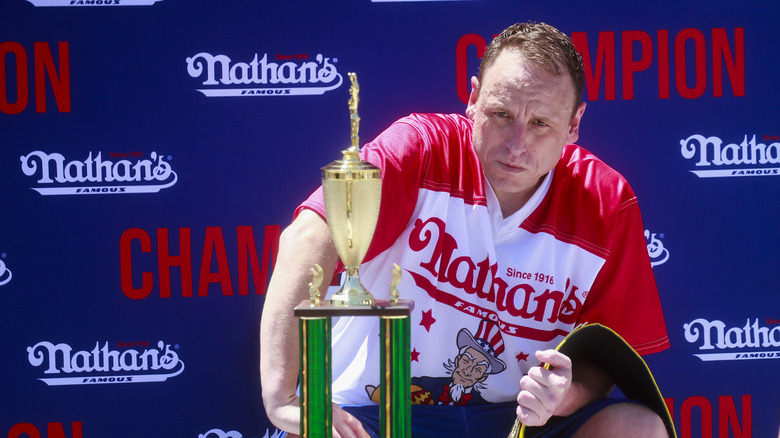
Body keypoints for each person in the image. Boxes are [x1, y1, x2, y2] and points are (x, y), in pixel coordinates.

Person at [260, 21, 670, 438]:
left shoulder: (606, 201)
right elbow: (306, 238)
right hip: (377, 411)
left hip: (517, 422)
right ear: (473, 99)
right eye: (501, 115)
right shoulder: (421, 149)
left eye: (541, 124)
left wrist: (566, 394)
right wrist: (283, 399)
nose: (516, 144)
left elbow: (606, 358)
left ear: (574, 123)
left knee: (637, 427)